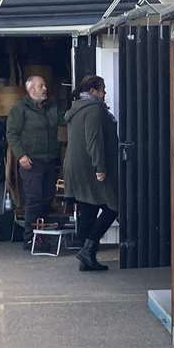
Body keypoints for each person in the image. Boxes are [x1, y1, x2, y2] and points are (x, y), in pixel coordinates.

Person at [63, 74, 118, 272]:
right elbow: (93, 140)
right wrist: (100, 168)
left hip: (74, 166)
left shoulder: (76, 109)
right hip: (89, 167)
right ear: (93, 91)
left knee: (88, 207)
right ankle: (88, 250)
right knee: (113, 205)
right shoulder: (94, 109)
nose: (105, 93)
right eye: (102, 89)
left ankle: (87, 258)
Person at [6, 74, 61, 236]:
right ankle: (30, 236)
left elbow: (64, 118)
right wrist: (21, 155)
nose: (45, 88)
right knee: (34, 198)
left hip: (50, 159)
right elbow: (12, 134)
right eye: (41, 86)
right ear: (31, 89)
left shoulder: (51, 106)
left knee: (48, 198)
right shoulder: (20, 109)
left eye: (44, 85)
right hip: (32, 160)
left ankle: (42, 234)